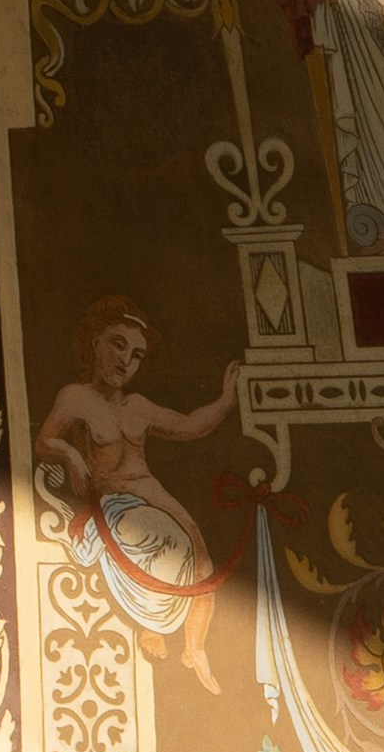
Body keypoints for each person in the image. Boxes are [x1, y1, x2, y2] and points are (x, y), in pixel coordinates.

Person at [35, 296, 242, 693]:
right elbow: (46, 439)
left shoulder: (138, 406)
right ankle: (151, 627)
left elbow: (189, 426)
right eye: (117, 344)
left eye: (136, 355)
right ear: (95, 342)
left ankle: (194, 649)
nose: (126, 361)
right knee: (158, 539)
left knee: (201, 560)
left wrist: (224, 402)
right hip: (114, 498)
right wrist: (72, 454)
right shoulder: (75, 398)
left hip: (148, 488)